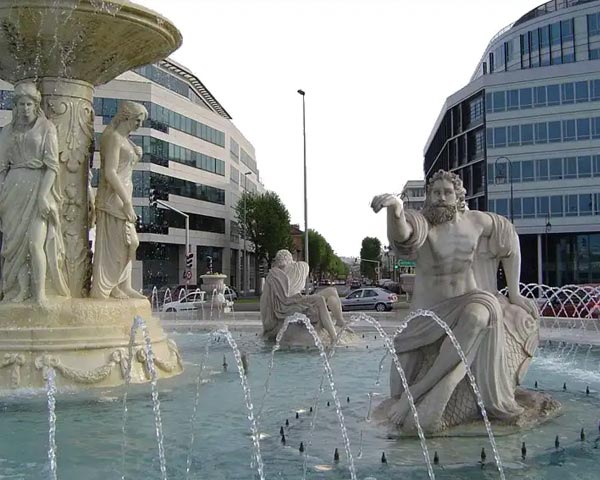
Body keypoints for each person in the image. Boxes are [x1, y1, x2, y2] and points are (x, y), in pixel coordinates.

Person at [370, 170, 538, 432]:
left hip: (471, 300)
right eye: (435, 193)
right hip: (428, 314)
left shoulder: (477, 222)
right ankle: (409, 392)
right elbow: (402, 236)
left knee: (478, 315)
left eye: (447, 192)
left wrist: (514, 292)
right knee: (396, 385)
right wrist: (395, 210)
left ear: (458, 196)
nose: (440, 198)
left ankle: (417, 392)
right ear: (428, 197)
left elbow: (510, 237)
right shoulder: (422, 222)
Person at [0, 81, 69, 306]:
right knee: (15, 246)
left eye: (29, 104)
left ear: (35, 104)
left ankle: (40, 294)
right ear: (15, 106)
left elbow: (52, 166)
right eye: (21, 104)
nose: (25, 109)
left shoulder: (46, 127)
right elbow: (1, 167)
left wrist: (43, 196)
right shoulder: (7, 131)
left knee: (34, 242)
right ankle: (19, 291)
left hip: (39, 187)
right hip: (13, 191)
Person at [90, 101, 147, 300]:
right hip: (115, 198)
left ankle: (124, 285)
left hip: (124, 196)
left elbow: (124, 167)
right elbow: (110, 172)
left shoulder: (126, 140)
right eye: (137, 119)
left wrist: (136, 155)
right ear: (125, 116)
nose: (139, 124)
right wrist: (127, 203)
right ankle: (111, 286)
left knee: (127, 243)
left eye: (141, 121)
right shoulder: (114, 138)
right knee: (125, 242)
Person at [260, 249, 344, 342]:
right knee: (319, 299)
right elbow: (266, 302)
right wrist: (267, 325)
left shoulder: (289, 270)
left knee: (332, 291)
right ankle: (334, 337)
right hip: (289, 304)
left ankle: (340, 321)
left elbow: (264, 302)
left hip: (295, 299)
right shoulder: (275, 275)